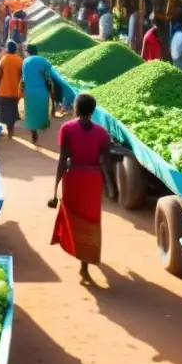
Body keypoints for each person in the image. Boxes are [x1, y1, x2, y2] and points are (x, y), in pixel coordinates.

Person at [50, 92, 115, 284]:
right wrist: (110, 186)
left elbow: (63, 160)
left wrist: (55, 190)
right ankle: (85, 264)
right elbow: (104, 162)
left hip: (74, 179)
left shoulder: (67, 129)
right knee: (91, 221)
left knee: (76, 220)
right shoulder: (102, 133)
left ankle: (83, 262)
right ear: (93, 111)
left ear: (76, 109)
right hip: (93, 181)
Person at [21, 43, 60, 144]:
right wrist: (52, 92)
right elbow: (48, 78)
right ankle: (42, 127)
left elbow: (23, 79)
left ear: (28, 52)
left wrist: (22, 90)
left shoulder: (25, 61)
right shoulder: (43, 61)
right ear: (36, 51)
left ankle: (33, 133)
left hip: (29, 90)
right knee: (41, 110)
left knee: (31, 112)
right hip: (41, 90)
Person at [0, 41, 23, 138]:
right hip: (15, 92)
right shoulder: (19, 60)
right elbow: (22, 76)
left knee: (5, 111)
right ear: (15, 49)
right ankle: (11, 128)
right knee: (12, 111)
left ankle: (9, 129)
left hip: (3, 90)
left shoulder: (3, 59)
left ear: (7, 49)